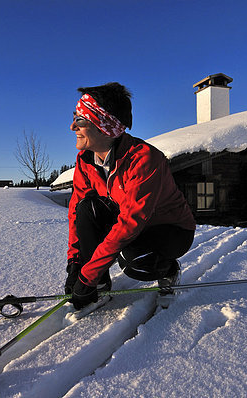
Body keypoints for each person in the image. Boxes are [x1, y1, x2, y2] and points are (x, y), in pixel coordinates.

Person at [65, 82, 196, 310]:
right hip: (133, 223)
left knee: (135, 261)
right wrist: (75, 264)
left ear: (104, 126)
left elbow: (130, 223)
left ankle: (169, 271)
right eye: (74, 117)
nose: (72, 126)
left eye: (80, 120)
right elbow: (77, 211)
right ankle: (101, 286)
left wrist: (87, 277)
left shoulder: (144, 159)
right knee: (87, 207)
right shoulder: (85, 161)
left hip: (169, 228)